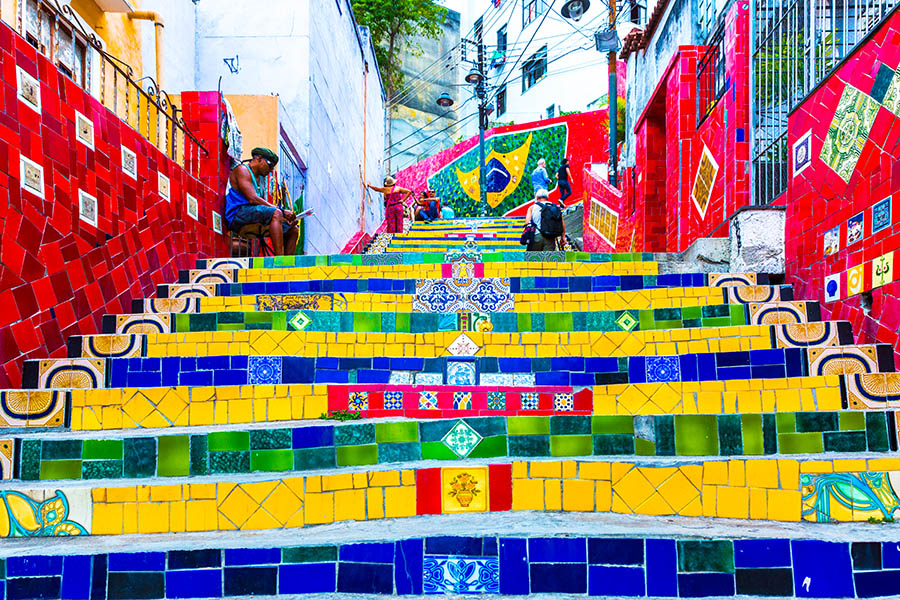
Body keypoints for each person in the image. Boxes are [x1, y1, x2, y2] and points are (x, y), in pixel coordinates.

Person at [224, 147, 299, 256]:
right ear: (258, 158)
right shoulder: (243, 170)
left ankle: (288, 263)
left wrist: (285, 218)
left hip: (251, 213)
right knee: (276, 213)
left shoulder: (259, 180)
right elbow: (252, 198)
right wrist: (281, 212)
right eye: (270, 165)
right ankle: (279, 260)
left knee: (293, 229)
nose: (270, 170)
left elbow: (263, 209)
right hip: (238, 214)